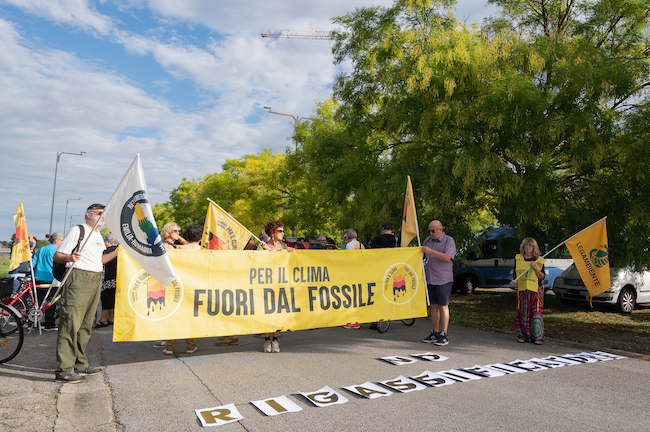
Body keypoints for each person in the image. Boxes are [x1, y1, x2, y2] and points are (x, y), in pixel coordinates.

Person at [52, 203, 118, 383]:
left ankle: (80, 364)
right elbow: (58, 255)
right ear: (89, 214)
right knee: (70, 323)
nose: (102, 217)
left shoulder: (97, 235)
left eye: (104, 214)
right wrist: (69, 257)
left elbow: (100, 260)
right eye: (99, 213)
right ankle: (64, 370)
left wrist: (117, 251)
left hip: (95, 278)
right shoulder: (78, 230)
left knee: (86, 324)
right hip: (78, 279)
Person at [163, 224, 203, 355]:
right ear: (201, 237)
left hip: (178, 286)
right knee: (193, 316)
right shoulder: (203, 251)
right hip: (196, 287)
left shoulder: (177, 250)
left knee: (175, 315)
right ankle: (191, 346)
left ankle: (169, 347)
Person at [257, 220, 292, 352]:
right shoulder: (262, 246)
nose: (283, 233)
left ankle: (275, 340)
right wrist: (264, 251)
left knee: (279, 312)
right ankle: (267, 340)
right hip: (266, 283)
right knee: (266, 312)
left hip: (281, 283)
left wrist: (290, 253)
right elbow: (256, 262)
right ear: (272, 233)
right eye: (280, 231)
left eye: (283, 231)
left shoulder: (283, 246)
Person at [421, 220, 456, 346]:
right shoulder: (427, 240)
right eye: (429, 231)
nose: (431, 233)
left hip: (443, 279)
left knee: (443, 306)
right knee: (433, 306)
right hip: (430, 278)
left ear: (440, 229)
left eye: (433, 231)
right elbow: (422, 256)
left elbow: (447, 257)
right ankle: (435, 332)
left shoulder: (448, 241)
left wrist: (431, 251)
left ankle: (444, 334)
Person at [509, 237, 546, 345]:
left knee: (536, 314)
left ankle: (537, 337)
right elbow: (515, 275)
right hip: (522, 290)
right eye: (526, 245)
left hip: (535, 290)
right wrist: (513, 282)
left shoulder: (538, 260)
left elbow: (542, 277)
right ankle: (523, 336)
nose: (528, 247)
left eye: (530, 245)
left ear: (534, 247)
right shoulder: (518, 259)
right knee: (522, 313)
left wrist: (536, 268)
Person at [367, 222, 397, 329]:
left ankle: (376, 320)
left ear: (383, 229)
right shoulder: (396, 240)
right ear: (392, 230)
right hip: (393, 269)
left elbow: (371, 254)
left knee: (378, 293)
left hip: (379, 269)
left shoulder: (377, 239)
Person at [32, 232, 64, 330]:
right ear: (56, 240)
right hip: (51, 279)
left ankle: (33, 323)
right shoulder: (57, 251)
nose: (62, 242)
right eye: (62, 240)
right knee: (50, 302)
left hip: (38, 278)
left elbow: (32, 264)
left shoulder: (41, 249)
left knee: (38, 302)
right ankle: (49, 324)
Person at [95, 233, 119, 328]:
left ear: (108, 241)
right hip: (118, 278)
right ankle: (111, 318)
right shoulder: (122, 249)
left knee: (106, 298)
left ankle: (103, 319)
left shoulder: (105, 251)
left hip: (107, 279)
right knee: (112, 299)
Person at [342, 229, 364, 329]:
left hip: (350, 274)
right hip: (360, 273)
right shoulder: (361, 245)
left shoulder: (349, 246)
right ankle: (357, 321)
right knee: (357, 297)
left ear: (347, 237)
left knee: (349, 297)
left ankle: (350, 321)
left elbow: (346, 260)